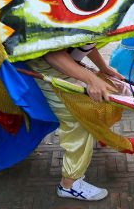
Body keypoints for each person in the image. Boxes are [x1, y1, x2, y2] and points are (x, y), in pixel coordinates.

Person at [29, 43, 123, 201]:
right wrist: (91, 79)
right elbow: (52, 53)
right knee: (80, 118)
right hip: (45, 68)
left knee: (109, 94)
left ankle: (97, 133)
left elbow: (84, 39)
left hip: (65, 64)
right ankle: (69, 185)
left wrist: (103, 68)